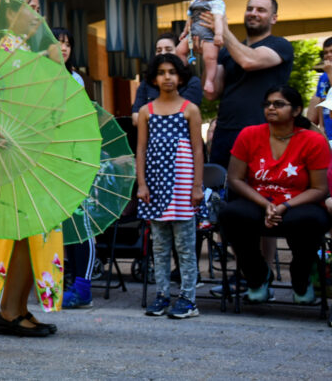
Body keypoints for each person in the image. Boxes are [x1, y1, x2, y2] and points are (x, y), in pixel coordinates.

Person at [0, 0, 62, 337]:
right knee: (22, 231)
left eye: (37, 7)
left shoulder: (32, 51)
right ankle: (9, 310)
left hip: (33, 146)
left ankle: (18, 307)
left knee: (32, 232)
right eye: (27, 7)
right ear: (8, 14)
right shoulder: (6, 51)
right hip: (15, 147)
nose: (36, 15)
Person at [218, 85, 330, 304]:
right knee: (231, 215)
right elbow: (235, 179)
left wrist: (285, 206)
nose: (271, 108)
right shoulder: (249, 135)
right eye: (267, 104)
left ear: (296, 111)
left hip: (298, 203)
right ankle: (258, 277)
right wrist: (265, 204)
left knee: (309, 220)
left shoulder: (312, 140)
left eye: (278, 104)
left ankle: (300, 279)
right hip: (259, 201)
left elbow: (319, 189)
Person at [136, 53, 204, 319]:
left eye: (172, 72)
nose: (167, 77)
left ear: (180, 77)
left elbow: (198, 150)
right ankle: (162, 294)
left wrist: (197, 186)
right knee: (160, 246)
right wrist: (142, 184)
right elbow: (140, 150)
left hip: (182, 186)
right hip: (155, 186)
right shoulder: (146, 111)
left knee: (186, 245)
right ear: (154, 78)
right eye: (162, 72)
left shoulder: (190, 109)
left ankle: (188, 298)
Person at [204, 0, 293, 169]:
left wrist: (223, 30)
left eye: (261, 10)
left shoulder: (280, 45)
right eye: (250, 9)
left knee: (259, 189)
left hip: (262, 131)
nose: (253, 13)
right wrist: (209, 53)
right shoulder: (226, 52)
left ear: (274, 18)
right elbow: (211, 92)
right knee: (220, 190)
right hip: (225, 130)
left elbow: (249, 61)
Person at [53, 27, 96, 310]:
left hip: (73, 155)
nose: (64, 48)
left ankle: (83, 286)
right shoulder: (35, 75)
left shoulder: (75, 78)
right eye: (58, 43)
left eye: (68, 44)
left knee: (80, 221)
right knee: (55, 223)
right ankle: (56, 284)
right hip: (47, 158)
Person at [131, 33, 203, 126]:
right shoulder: (146, 83)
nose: (163, 54)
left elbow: (185, 117)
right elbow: (136, 118)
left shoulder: (192, 82)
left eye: (168, 49)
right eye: (159, 50)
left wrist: (149, 119)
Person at [175, 0, 226, 95]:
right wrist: (185, 31)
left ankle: (209, 80)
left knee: (210, 57)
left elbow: (218, 20)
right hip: (193, 33)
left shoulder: (217, 3)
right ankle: (184, 71)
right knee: (179, 50)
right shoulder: (194, 2)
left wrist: (219, 34)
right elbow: (190, 19)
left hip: (209, 36)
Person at [306, 37, 332, 145]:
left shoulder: (328, 73)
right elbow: (322, 100)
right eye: (325, 52)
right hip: (328, 133)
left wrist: (330, 73)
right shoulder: (323, 76)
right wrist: (321, 126)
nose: (328, 55)